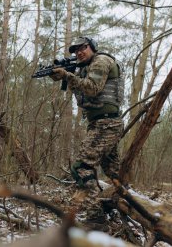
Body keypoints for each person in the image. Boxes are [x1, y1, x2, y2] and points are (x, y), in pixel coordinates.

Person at [49, 37, 124, 231]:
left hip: (106, 123)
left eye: (83, 48)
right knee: (114, 173)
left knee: (81, 168)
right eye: (75, 51)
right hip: (100, 123)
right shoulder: (85, 67)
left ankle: (96, 219)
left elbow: (92, 88)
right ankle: (126, 205)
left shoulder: (101, 61)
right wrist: (69, 75)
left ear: (92, 48)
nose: (79, 53)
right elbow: (83, 95)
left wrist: (67, 76)